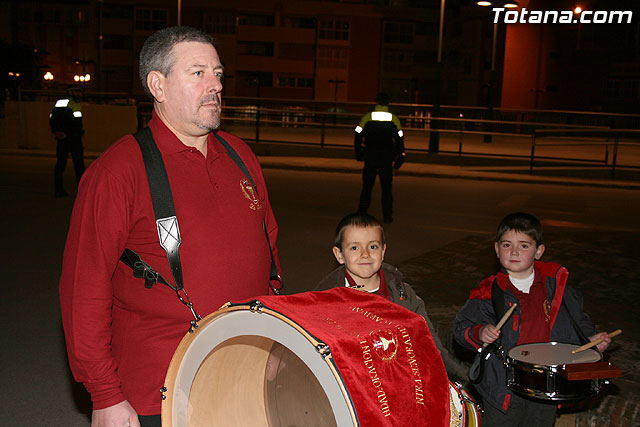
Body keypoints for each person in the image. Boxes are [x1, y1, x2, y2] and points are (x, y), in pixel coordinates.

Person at [59, 26, 281, 427]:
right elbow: (83, 290)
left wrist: (273, 340)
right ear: (157, 85)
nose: (215, 84)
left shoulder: (240, 154)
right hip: (155, 392)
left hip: (241, 377)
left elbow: (270, 253)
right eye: (198, 73)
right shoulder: (118, 170)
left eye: (218, 73)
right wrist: (106, 395)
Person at [453, 212, 612, 427]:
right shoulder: (487, 292)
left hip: (545, 386)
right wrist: (480, 333)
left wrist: (591, 341)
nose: (515, 252)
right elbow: (462, 328)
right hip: (503, 389)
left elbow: (578, 324)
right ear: (497, 249)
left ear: (539, 251)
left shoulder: (557, 289)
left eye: (524, 246)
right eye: (507, 245)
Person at [315, 212, 468, 381]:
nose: (365, 254)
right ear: (339, 255)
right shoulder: (326, 299)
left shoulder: (402, 295)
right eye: (354, 248)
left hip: (398, 378)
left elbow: (428, 341)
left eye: (373, 246)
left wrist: (458, 376)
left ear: (383, 250)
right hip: (351, 381)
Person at [354, 92, 405, 224]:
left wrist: (359, 153)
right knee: (386, 188)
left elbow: (358, 134)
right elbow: (400, 139)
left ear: (376, 102)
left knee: (367, 186)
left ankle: (362, 211)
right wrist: (400, 158)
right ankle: (387, 216)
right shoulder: (394, 119)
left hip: (370, 155)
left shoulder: (367, 117)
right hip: (386, 157)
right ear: (388, 103)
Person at [50, 86, 85, 197]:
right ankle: (59, 190)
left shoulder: (75, 103)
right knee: (66, 164)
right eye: (77, 91)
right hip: (68, 138)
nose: (79, 94)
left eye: (80, 92)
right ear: (70, 92)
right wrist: (57, 131)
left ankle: (81, 191)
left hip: (73, 137)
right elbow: (54, 119)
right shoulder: (64, 102)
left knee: (78, 165)